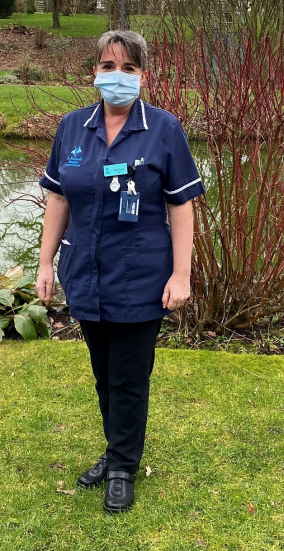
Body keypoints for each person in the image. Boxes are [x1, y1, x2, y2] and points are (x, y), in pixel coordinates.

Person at [36, 29, 204, 512]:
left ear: (143, 76)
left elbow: (182, 207)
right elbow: (58, 198)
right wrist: (46, 263)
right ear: (94, 73)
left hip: (141, 277)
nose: (117, 77)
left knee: (129, 376)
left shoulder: (164, 130)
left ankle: (123, 466)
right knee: (104, 375)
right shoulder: (71, 128)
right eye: (108, 67)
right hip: (85, 274)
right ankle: (116, 451)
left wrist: (182, 274)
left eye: (128, 68)